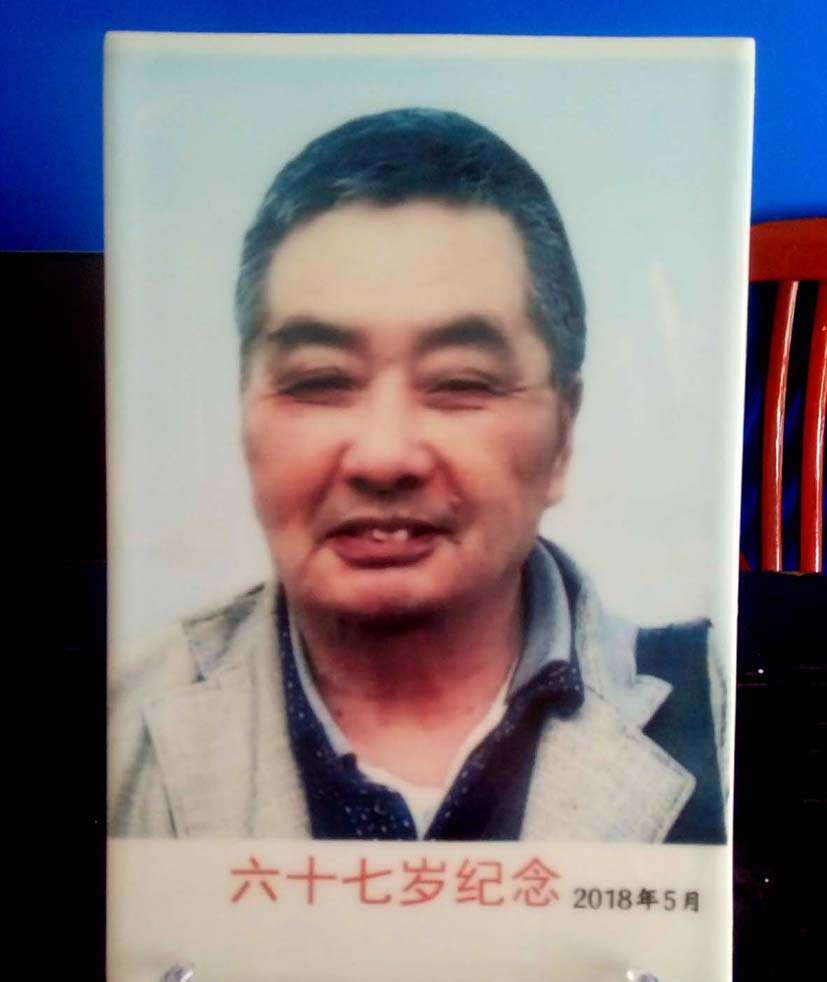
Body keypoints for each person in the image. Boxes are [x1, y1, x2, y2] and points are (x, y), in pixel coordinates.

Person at [109, 108, 727, 843]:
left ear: (562, 435)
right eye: (318, 380)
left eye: (460, 381)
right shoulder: (117, 722)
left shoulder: (718, 710)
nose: (382, 457)